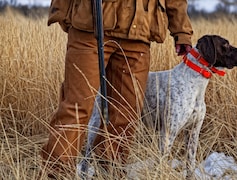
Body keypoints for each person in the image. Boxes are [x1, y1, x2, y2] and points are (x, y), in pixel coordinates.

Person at [40, 0, 193, 178]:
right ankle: (56, 174)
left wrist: (182, 31)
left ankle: (109, 172)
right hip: (92, 28)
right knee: (76, 107)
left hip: (138, 33)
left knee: (126, 113)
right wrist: (63, 12)